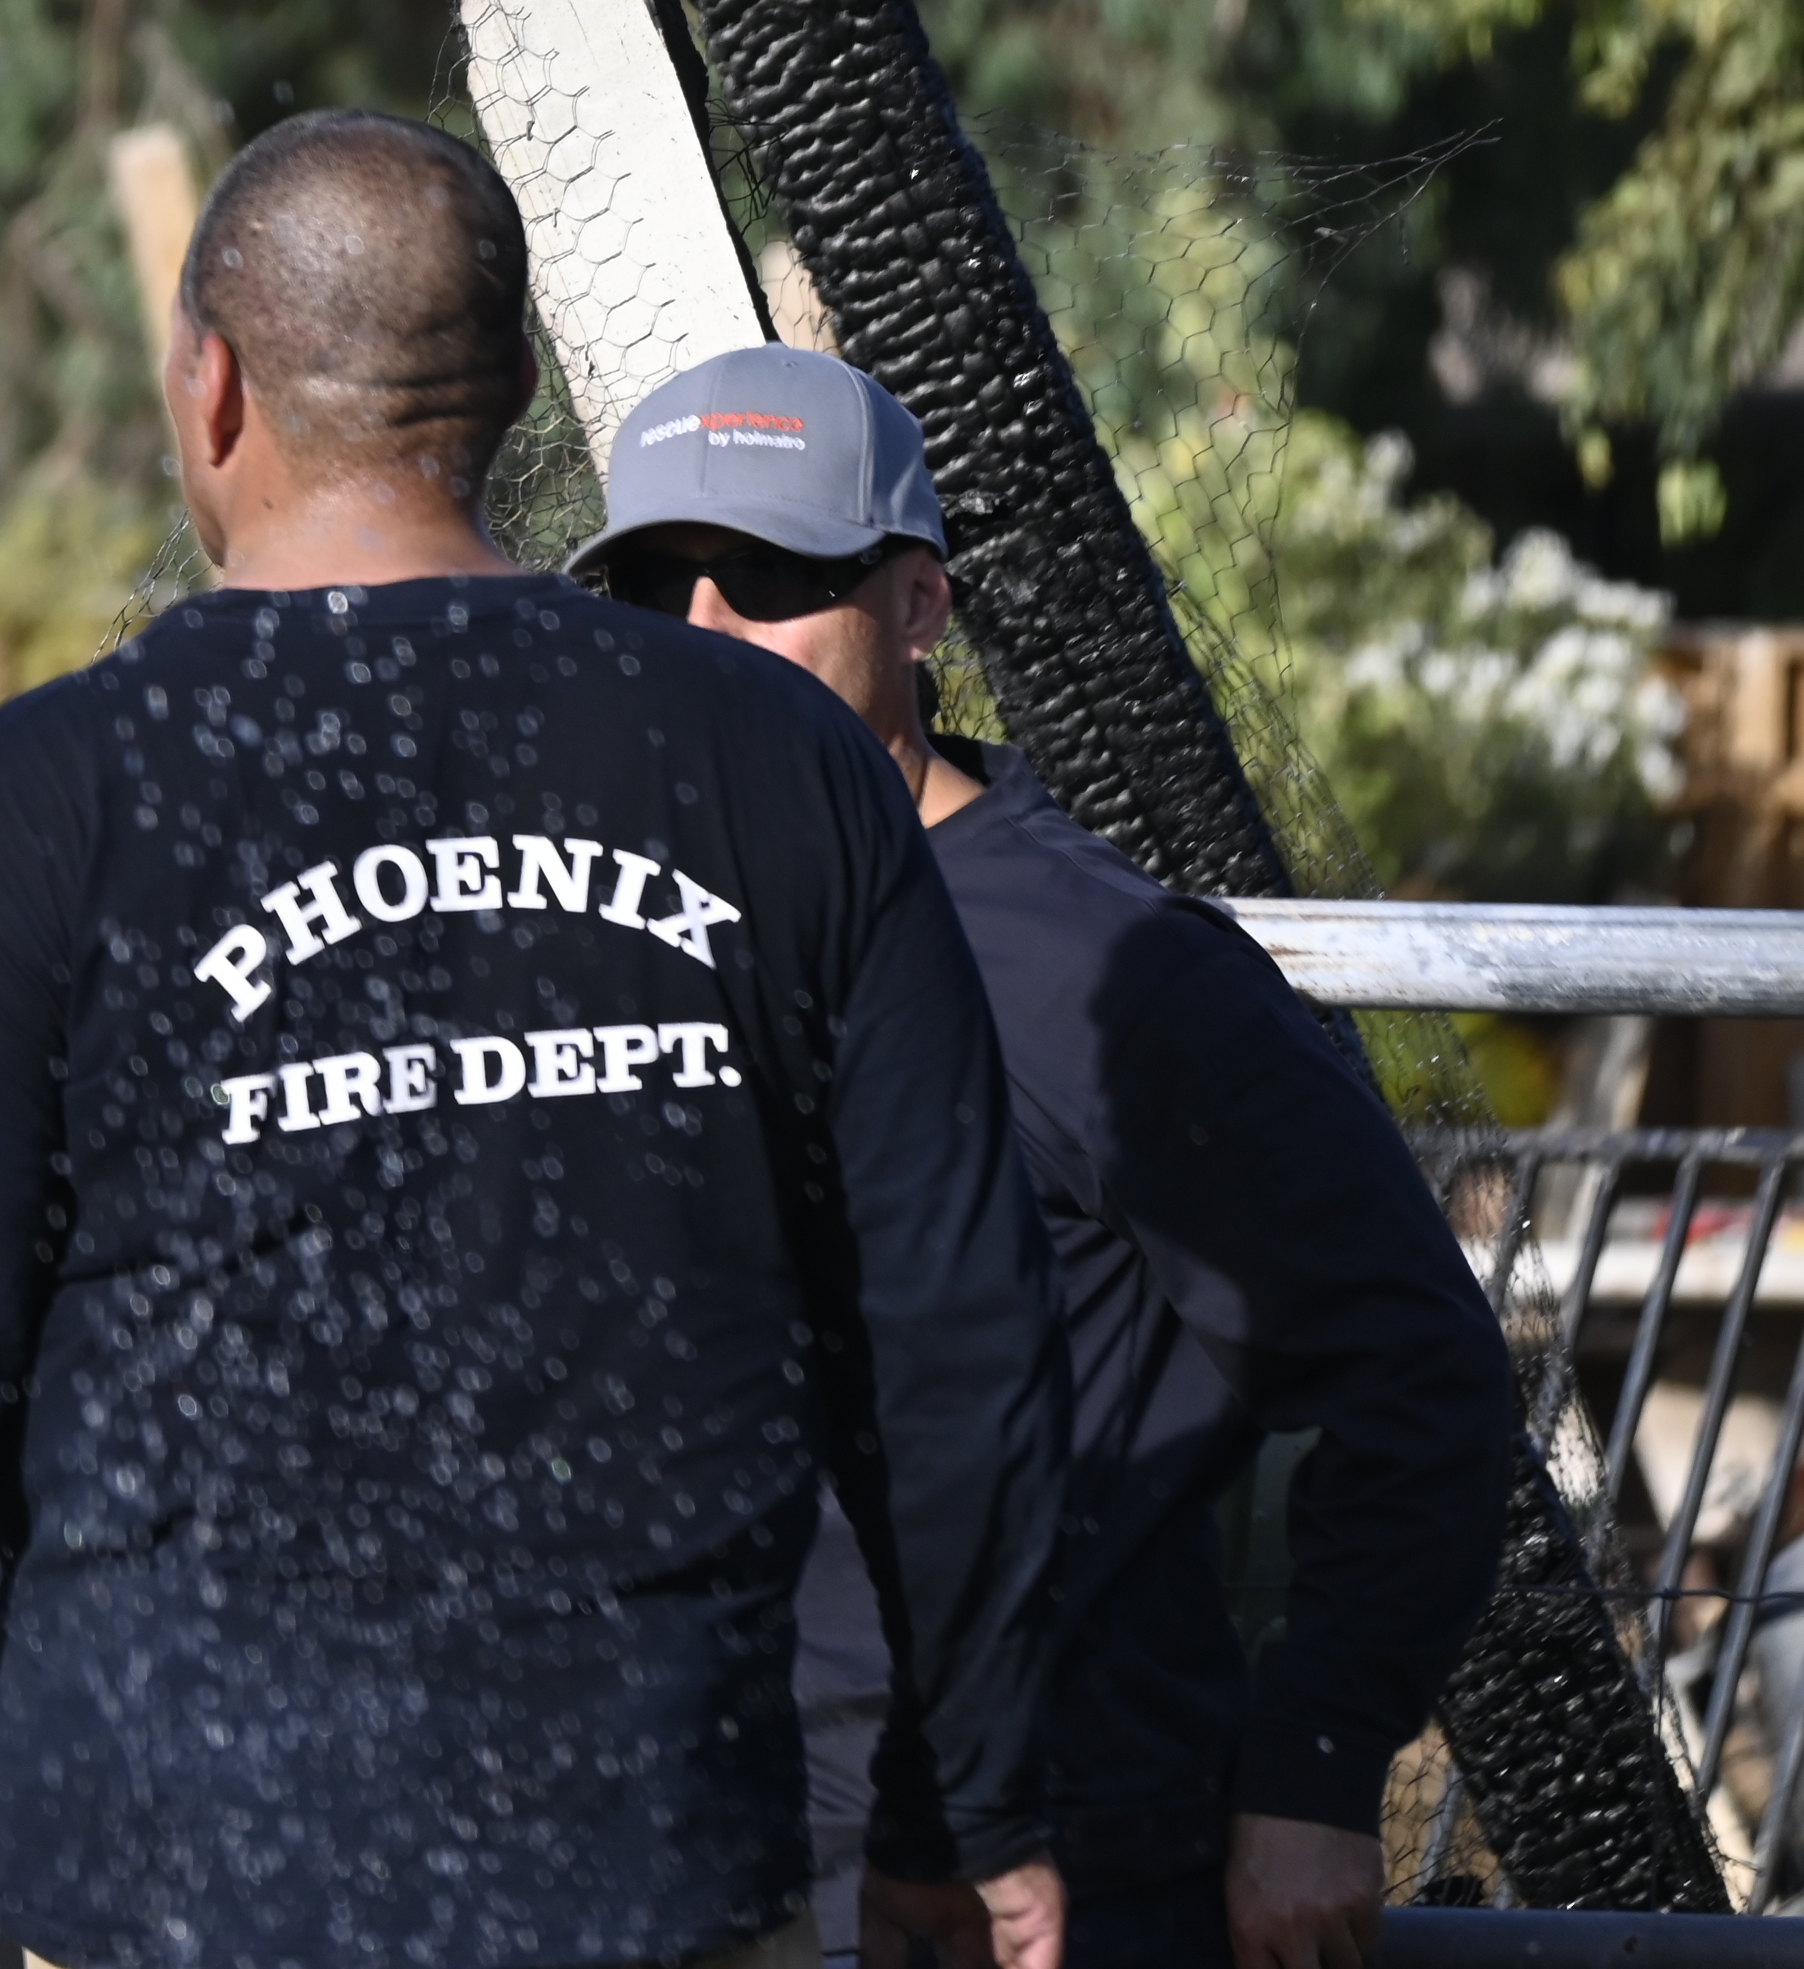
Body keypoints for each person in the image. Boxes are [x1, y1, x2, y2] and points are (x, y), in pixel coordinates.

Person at [0, 111, 1068, 1969]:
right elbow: (960, 1344)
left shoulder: (60, 790)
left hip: (176, 1896)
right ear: (509, 394)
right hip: (658, 1876)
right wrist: (962, 1818)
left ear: (211, 388)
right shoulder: (777, 760)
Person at [570, 342, 1515, 1969]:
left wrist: (1314, 1773)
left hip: (1052, 1887)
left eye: (773, 577)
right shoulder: (603, 935)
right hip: (698, 1855)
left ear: (921, 607)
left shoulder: (1109, 974)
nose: (706, 630)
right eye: (657, 588)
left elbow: (1422, 1377)